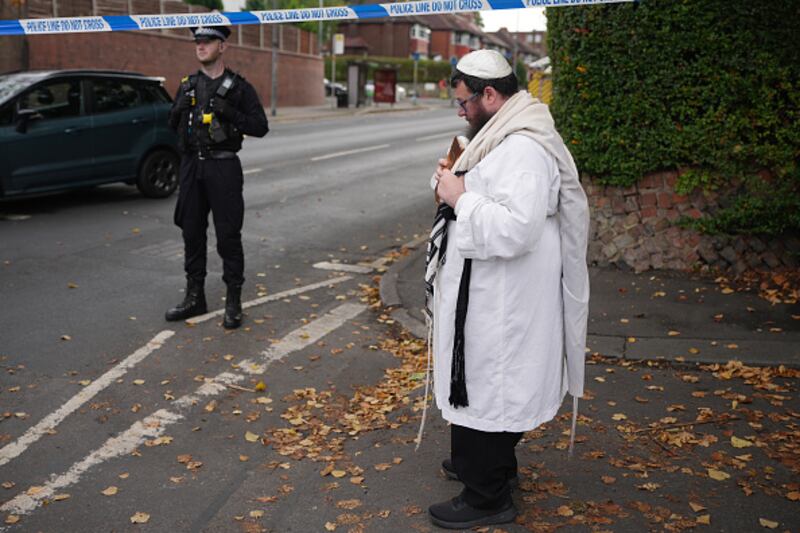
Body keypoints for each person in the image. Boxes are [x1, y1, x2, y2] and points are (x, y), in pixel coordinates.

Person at [423, 49, 590, 529]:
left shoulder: (524, 149)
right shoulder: (498, 134)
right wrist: (453, 181)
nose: (459, 110)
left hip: (502, 298)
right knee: (484, 382)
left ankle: (486, 496)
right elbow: (480, 189)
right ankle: (488, 465)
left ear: (490, 95)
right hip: (489, 290)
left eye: (463, 102)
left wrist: (462, 197)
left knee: (490, 383)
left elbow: (518, 229)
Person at [165, 25, 269, 329]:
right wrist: (177, 110)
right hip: (191, 167)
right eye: (197, 41)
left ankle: (233, 300)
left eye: (207, 41)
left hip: (223, 168)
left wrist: (230, 113)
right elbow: (172, 124)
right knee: (191, 232)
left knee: (228, 236)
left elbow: (260, 126)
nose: (200, 45)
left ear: (222, 46)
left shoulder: (238, 87)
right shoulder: (187, 85)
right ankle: (195, 297)